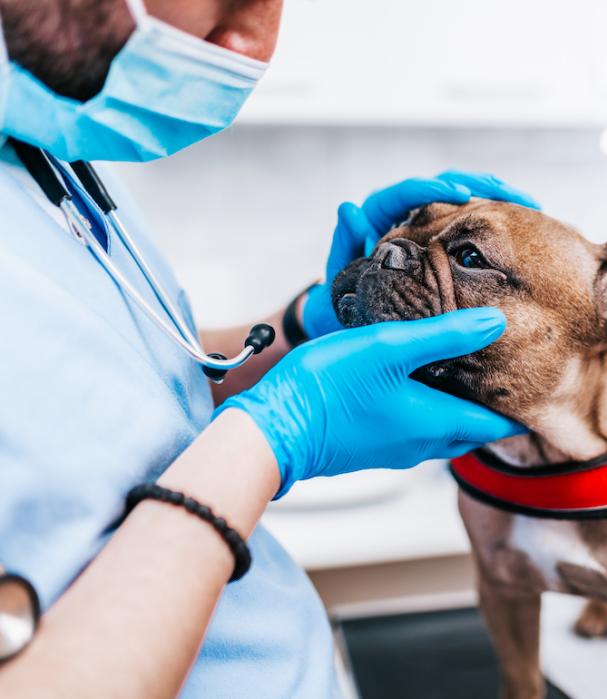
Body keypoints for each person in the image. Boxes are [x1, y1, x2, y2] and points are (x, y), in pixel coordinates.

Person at [0, 0, 537, 696]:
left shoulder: (48, 153)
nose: (251, 47)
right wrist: (273, 436)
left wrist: (304, 328)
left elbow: (133, 385)